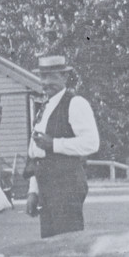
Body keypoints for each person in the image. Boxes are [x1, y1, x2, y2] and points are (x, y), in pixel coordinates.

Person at [30, 54, 99, 238]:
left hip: (66, 185)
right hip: (46, 186)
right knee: (50, 247)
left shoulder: (75, 104)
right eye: (42, 77)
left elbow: (92, 143)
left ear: (65, 77)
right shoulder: (44, 108)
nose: (45, 82)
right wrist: (33, 191)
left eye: (51, 76)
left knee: (68, 246)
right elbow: (37, 153)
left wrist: (54, 144)